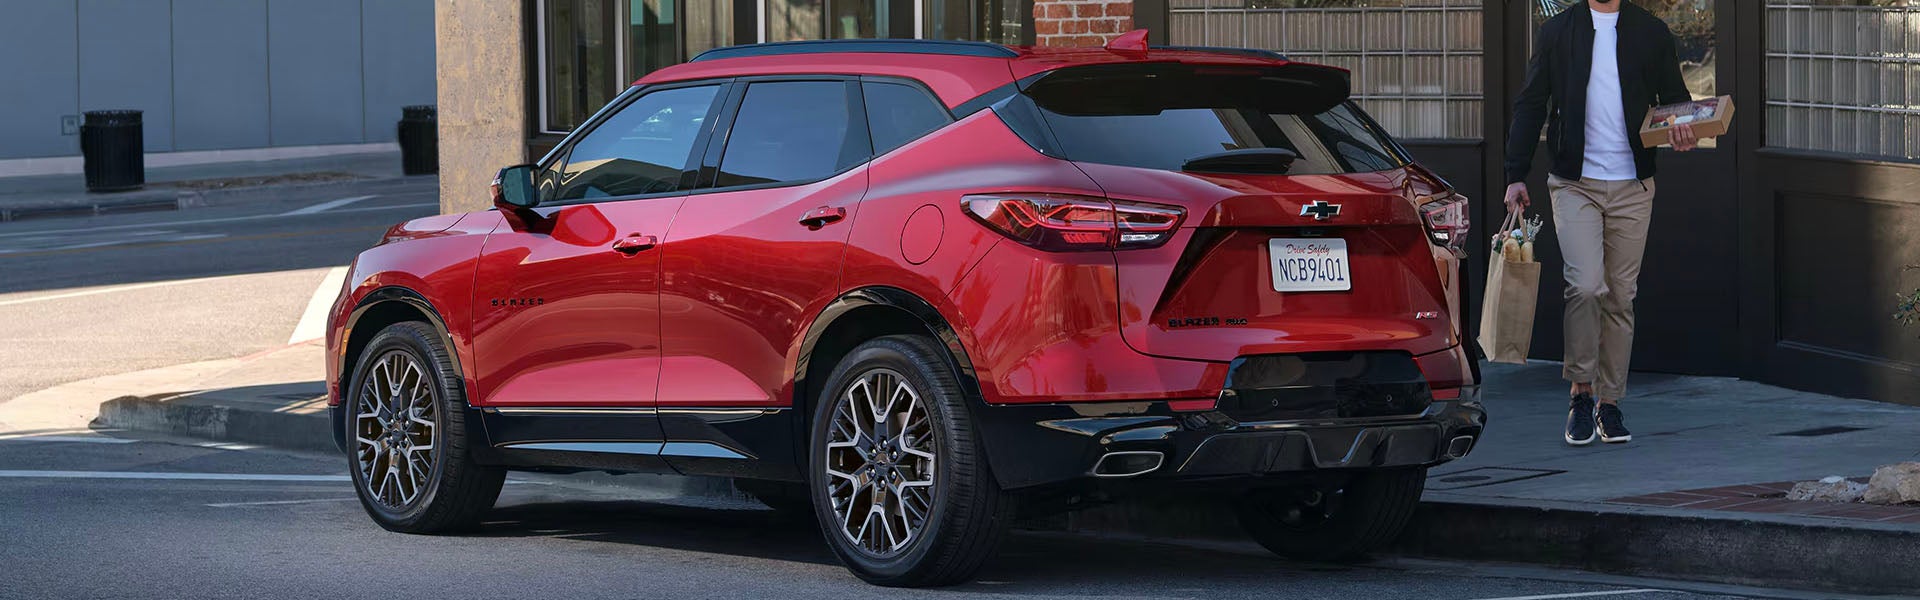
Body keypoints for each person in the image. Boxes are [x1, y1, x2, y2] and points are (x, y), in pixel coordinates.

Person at [1503, 0, 1698, 446]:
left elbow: (1675, 100)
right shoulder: (1557, 32)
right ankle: (1580, 393)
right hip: (1575, 184)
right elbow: (1531, 103)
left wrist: (1684, 128)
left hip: (1633, 186)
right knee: (1586, 285)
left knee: (1621, 296)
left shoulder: (1651, 32)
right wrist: (1515, 173)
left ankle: (1610, 403)